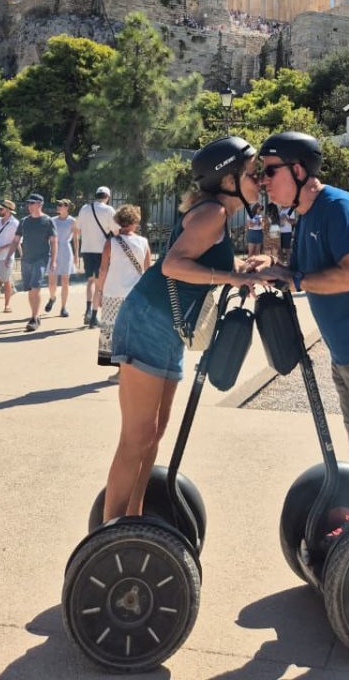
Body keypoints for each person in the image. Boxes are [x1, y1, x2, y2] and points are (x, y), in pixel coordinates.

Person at [252, 132, 349, 525]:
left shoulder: (338, 208)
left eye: (270, 171)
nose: (264, 181)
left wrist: (296, 279)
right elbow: (304, 272)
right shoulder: (306, 215)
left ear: (298, 170)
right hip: (345, 349)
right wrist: (276, 271)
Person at [103, 137, 262, 521]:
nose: (260, 180)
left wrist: (245, 269)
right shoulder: (213, 213)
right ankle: (107, 535)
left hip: (167, 327)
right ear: (229, 180)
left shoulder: (216, 213)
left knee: (154, 433)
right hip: (147, 321)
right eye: (252, 173)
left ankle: (134, 520)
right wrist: (231, 277)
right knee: (137, 437)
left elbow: (200, 260)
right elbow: (174, 265)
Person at [92, 204, 151, 369]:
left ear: (119, 221)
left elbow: (103, 269)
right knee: (133, 329)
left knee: (113, 329)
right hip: (136, 294)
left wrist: (99, 291)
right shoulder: (143, 242)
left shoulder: (111, 243)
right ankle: (133, 367)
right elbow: (148, 271)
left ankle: (120, 369)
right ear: (134, 222)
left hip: (113, 292)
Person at [12, 194, 57, 332]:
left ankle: (34, 318)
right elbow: (16, 240)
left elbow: (54, 242)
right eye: (29, 203)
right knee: (30, 290)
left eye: (32, 203)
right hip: (26, 259)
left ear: (40, 204)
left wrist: (53, 260)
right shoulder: (24, 221)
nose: (29, 206)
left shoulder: (48, 221)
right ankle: (35, 315)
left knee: (36, 286)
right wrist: (8, 256)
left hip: (41, 259)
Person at [77, 186, 117, 327]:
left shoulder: (84, 209)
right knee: (100, 284)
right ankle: (94, 316)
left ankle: (88, 311)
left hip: (86, 249)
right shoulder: (109, 210)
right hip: (102, 251)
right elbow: (116, 231)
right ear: (107, 197)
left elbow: (78, 227)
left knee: (90, 281)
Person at [46, 199, 79, 318]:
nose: (58, 206)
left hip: (66, 250)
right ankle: (52, 298)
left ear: (67, 207)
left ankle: (63, 307)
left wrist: (76, 255)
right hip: (54, 250)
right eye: (58, 204)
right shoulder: (52, 220)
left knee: (65, 280)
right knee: (52, 281)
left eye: (61, 205)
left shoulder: (72, 221)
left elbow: (75, 239)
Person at [0, 200, 19, 313]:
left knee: (6, 281)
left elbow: (16, 241)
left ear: (8, 210)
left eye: (1, 209)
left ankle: (7, 305)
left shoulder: (15, 223)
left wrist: (1, 248)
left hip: (6, 256)